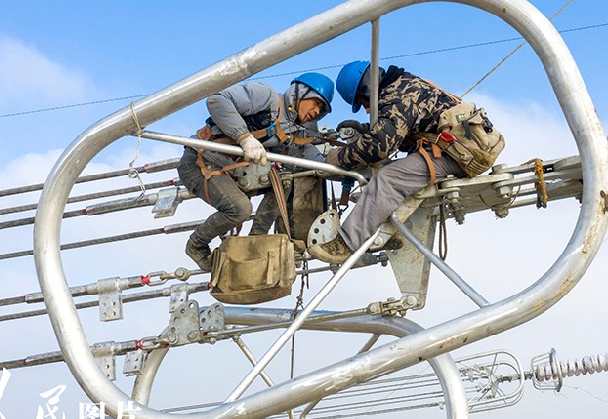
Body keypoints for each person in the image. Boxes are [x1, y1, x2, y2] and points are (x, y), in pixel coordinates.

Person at [308, 61, 470, 263]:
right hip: (455, 149)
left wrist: (340, 158)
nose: (367, 108)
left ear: (366, 88)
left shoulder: (399, 94)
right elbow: (398, 128)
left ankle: (346, 243)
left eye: (364, 102)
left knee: (388, 178)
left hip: (456, 154)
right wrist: (366, 129)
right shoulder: (402, 86)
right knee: (392, 173)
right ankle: (387, 230)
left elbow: (381, 144)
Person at [178, 73, 334, 271]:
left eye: (322, 109)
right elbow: (217, 100)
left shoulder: (293, 131)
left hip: (233, 173)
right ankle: (196, 245)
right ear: (300, 92)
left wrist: (348, 160)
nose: (316, 111)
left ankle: (256, 240)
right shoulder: (266, 97)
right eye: (316, 102)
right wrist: (244, 137)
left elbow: (315, 159)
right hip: (199, 163)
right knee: (240, 209)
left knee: (285, 180)